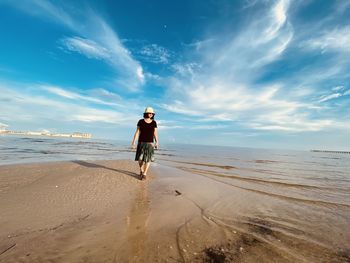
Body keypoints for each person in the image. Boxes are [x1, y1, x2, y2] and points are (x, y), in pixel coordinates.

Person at [131, 107, 159, 180]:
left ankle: (144, 173)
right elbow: (137, 132)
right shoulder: (140, 121)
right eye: (149, 113)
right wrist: (133, 142)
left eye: (152, 113)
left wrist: (157, 142)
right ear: (146, 113)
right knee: (140, 159)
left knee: (148, 159)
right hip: (141, 142)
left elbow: (155, 133)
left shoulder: (154, 122)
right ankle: (141, 170)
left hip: (150, 143)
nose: (151, 114)